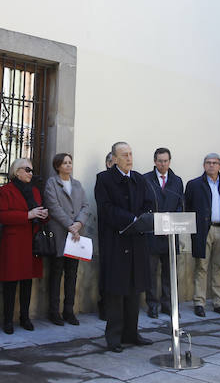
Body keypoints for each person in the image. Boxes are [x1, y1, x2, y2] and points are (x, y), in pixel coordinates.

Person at [95, 142, 155, 352]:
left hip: (137, 242)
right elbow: (105, 208)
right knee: (116, 292)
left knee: (134, 290)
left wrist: (143, 219)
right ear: (115, 159)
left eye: (131, 154)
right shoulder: (104, 179)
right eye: (125, 155)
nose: (130, 158)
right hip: (116, 242)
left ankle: (132, 333)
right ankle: (114, 337)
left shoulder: (139, 178)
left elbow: (149, 203)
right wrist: (131, 219)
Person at [0, 158, 48, 333]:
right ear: (16, 171)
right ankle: (7, 320)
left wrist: (43, 214)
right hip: (14, 242)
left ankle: (25, 317)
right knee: (10, 283)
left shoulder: (35, 191)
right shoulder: (5, 190)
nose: (30, 173)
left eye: (32, 170)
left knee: (27, 282)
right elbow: (4, 216)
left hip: (31, 243)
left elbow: (38, 212)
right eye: (27, 169)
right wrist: (28, 215)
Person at [185, 153, 220, 318]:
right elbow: (188, 207)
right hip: (203, 230)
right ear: (204, 165)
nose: (211, 166)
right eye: (208, 163)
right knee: (201, 266)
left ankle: (219, 303)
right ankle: (199, 302)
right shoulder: (194, 185)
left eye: (214, 163)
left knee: (219, 267)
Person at [44, 152, 91, 326]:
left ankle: (69, 310)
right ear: (57, 166)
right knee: (56, 274)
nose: (68, 166)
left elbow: (86, 206)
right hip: (59, 234)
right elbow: (53, 207)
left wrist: (79, 223)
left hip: (75, 237)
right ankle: (53, 311)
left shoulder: (77, 185)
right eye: (65, 163)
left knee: (72, 274)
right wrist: (71, 225)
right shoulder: (52, 183)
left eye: (70, 162)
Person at [142, 147, 184, 318]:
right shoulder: (145, 179)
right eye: (159, 161)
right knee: (151, 272)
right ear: (154, 161)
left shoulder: (177, 180)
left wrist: (173, 224)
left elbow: (181, 204)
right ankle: (152, 304)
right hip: (152, 232)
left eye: (166, 161)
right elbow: (143, 205)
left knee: (169, 271)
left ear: (169, 161)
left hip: (171, 234)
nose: (163, 164)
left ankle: (168, 304)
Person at [99, 150, 117, 321]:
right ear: (108, 163)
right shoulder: (103, 179)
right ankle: (104, 306)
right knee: (106, 271)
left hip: (124, 234)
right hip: (108, 233)